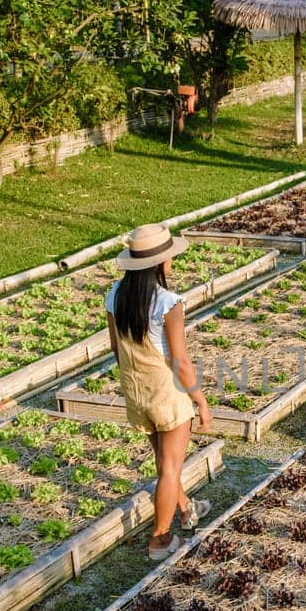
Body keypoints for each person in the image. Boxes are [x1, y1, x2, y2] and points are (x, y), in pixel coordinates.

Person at [104, 224, 213, 560]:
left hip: (138, 393)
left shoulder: (115, 295)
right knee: (169, 468)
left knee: (166, 462)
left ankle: (186, 510)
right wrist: (200, 400)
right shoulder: (168, 302)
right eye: (169, 259)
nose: (172, 264)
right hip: (168, 394)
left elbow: (115, 348)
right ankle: (160, 541)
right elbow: (180, 362)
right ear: (158, 264)